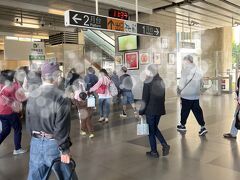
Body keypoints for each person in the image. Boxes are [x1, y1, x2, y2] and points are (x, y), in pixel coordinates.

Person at [26, 62, 78, 179]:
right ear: (57, 76)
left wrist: (36, 138)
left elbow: (28, 122)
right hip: (54, 145)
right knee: (68, 176)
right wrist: (64, 149)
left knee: (35, 177)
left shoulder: (33, 95)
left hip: (35, 143)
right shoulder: (61, 97)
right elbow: (61, 127)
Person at [139, 64, 170, 158]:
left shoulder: (147, 81)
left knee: (151, 131)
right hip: (159, 109)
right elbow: (163, 97)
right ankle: (164, 145)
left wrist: (141, 111)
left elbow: (145, 98)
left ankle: (154, 151)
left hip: (150, 110)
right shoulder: (161, 80)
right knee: (154, 128)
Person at [177, 55, 208, 136]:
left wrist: (179, 90)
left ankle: (182, 125)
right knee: (197, 111)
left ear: (187, 61)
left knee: (185, 111)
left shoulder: (185, 69)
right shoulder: (198, 69)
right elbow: (202, 83)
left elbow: (182, 82)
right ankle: (202, 127)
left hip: (186, 95)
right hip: (195, 95)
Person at [0, 70, 27, 155]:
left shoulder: (1, 85)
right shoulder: (14, 86)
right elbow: (22, 96)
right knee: (17, 128)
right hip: (10, 111)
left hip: (1, 111)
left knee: (6, 130)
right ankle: (17, 149)